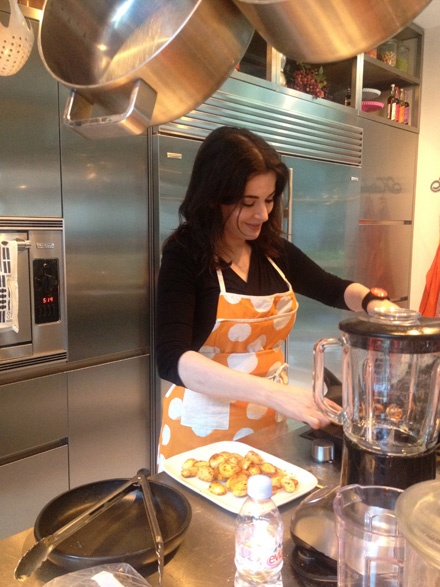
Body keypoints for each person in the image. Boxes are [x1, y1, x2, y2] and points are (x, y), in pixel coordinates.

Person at [155, 126, 396, 468]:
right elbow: (171, 358)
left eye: (269, 200)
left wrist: (374, 303)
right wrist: (274, 393)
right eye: (248, 203)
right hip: (200, 434)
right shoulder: (185, 256)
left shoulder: (272, 252)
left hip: (268, 425)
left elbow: (332, 287)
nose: (263, 215)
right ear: (212, 198)